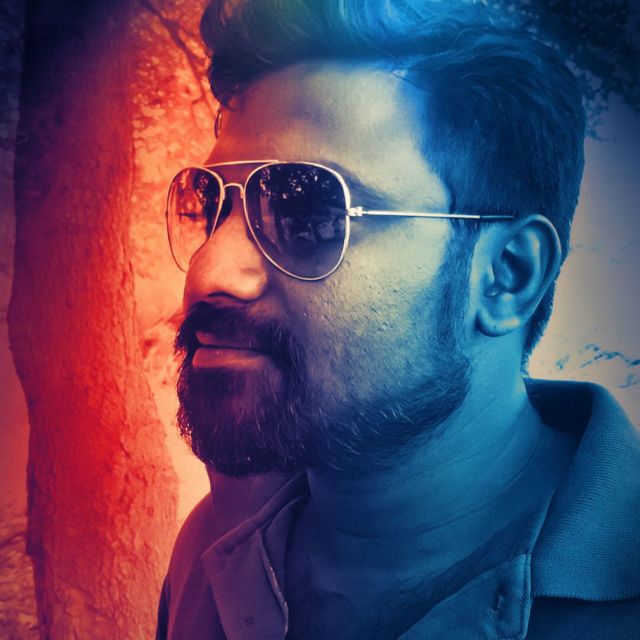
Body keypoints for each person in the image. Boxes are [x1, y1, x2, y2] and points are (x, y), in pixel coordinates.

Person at [156, 1, 640, 638]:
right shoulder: (215, 551)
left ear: (506, 276)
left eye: (309, 213)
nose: (209, 272)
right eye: (213, 204)